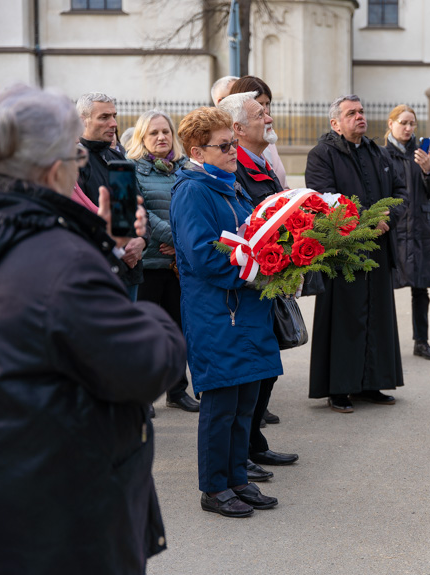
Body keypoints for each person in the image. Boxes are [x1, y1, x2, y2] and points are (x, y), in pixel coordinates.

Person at [0, 84, 187, 575]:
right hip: (62, 510)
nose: (80, 163)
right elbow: (150, 364)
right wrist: (153, 316)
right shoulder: (62, 261)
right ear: (51, 169)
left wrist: (105, 251)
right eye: (76, 153)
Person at [171, 107, 281, 517]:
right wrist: (255, 273)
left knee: (244, 400)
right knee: (221, 405)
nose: (234, 150)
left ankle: (238, 478)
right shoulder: (194, 191)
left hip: (244, 309)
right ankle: (214, 488)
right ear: (198, 152)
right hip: (217, 312)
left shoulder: (227, 184)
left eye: (233, 143)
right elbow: (202, 256)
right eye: (224, 145)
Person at [305, 94, 408, 413]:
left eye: (362, 111)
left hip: (377, 250)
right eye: (351, 113)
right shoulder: (322, 155)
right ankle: (338, 388)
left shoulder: (379, 153)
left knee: (377, 318)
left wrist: (387, 218)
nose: (360, 117)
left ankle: (371, 383)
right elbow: (323, 199)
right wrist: (366, 222)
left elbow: (401, 191)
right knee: (343, 321)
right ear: (335, 123)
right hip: (342, 252)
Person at [218, 91, 299, 476]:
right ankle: (243, 453)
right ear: (237, 128)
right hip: (252, 282)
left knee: (266, 367)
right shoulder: (236, 168)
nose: (267, 118)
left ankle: (253, 444)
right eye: (259, 113)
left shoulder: (261, 163)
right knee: (252, 370)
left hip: (271, 278)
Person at [126, 110, 199, 413]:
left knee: (177, 329)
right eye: (153, 133)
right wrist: (176, 240)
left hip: (177, 266)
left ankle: (176, 389)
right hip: (149, 264)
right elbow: (141, 213)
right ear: (142, 137)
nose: (161, 137)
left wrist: (180, 246)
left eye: (165, 132)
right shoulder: (132, 170)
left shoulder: (185, 169)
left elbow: (192, 210)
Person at [384, 104, 430, 361]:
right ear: (391, 124)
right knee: (384, 288)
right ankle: (385, 342)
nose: (408, 128)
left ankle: (422, 341)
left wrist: (428, 170)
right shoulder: (380, 155)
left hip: (420, 228)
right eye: (403, 123)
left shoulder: (423, 153)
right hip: (393, 228)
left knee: (420, 288)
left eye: (412, 124)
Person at [76, 92, 148, 301]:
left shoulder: (118, 157)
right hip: (98, 273)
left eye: (114, 116)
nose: (114, 123)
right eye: (104, 117)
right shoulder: (73, 161)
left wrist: (141, 240)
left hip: (130, 269)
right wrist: (119, 247)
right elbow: (80, 217)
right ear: (83, 120)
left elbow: (139, 206)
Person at [228, 75, 288, 189]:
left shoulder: (265, 142)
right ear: (239, 127)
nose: (267, 112)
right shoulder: (232, 165)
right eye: (260, 107)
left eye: (267, 104)